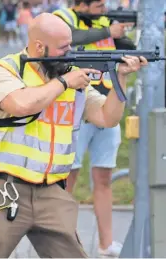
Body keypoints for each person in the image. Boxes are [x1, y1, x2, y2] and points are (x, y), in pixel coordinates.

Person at [0, 13, 146, 258]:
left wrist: (121, 78)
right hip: (6, 190)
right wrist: (64, 82)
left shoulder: (69, 76)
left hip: (53, 191)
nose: (70, 53)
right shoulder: (1, 71)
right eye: (63, 48)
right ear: (38, 47)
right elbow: (22, 105)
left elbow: (107, 118)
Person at [53, 0, 135, 256]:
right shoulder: (62, 17)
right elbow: (73, 37)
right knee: (68, 180)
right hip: (77, 106)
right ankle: (63, 241)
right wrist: (108, 31)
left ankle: (106, 244)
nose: (103, 9)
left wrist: (120, 32)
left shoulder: (103, 21)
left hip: (106, 104)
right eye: (99, 5)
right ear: (81, 5)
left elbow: (128, 49)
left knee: (104, 178)